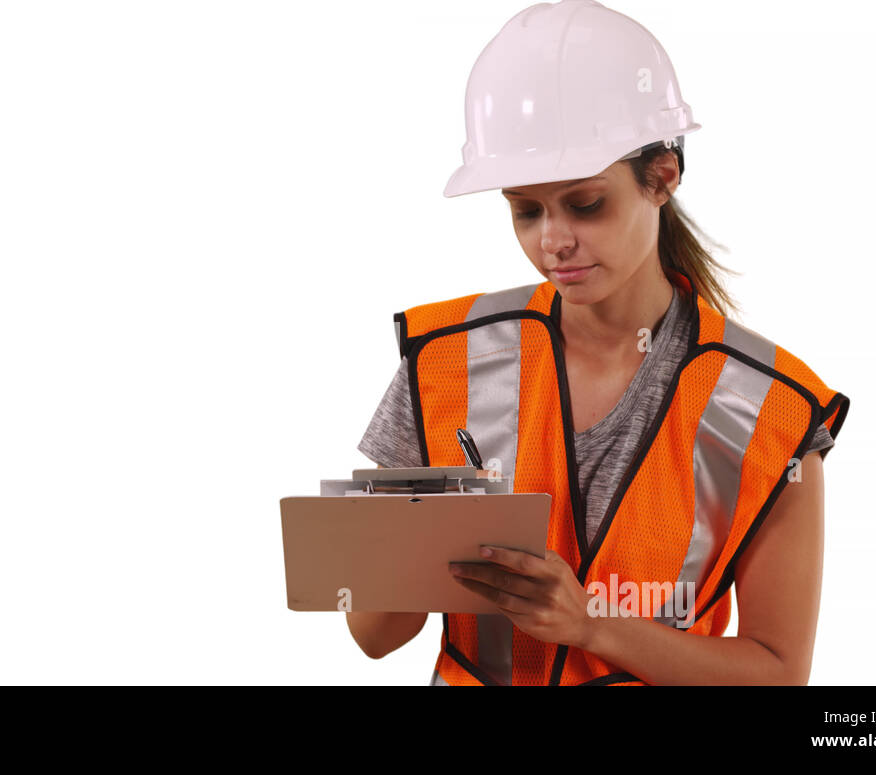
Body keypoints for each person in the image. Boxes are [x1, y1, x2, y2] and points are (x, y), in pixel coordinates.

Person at [345, 0, 849, 685]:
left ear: (662, 177)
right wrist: (418, 543)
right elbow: (373, 636)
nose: (552, 240)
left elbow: (776, 673)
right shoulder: (443, 364)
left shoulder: (771, 411)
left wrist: (588, 625)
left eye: (585, 204)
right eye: (525, 210)